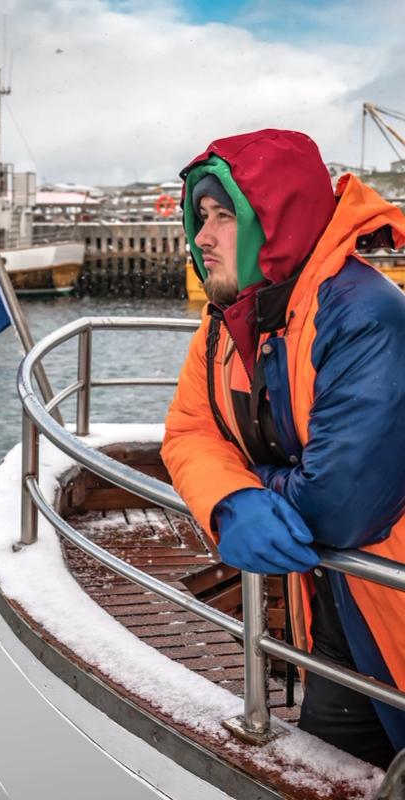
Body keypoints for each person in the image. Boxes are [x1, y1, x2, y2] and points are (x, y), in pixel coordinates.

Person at [161, 128, 405, 769]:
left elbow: (340, 509)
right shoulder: (227, 324)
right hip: (334, 605)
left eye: (223, 217)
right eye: (200, 218)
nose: (202, 236)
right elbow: (191, 429)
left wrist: (252, 480)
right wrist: (231, 498)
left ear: (277, 223)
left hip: (391, 608)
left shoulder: (364, 317)